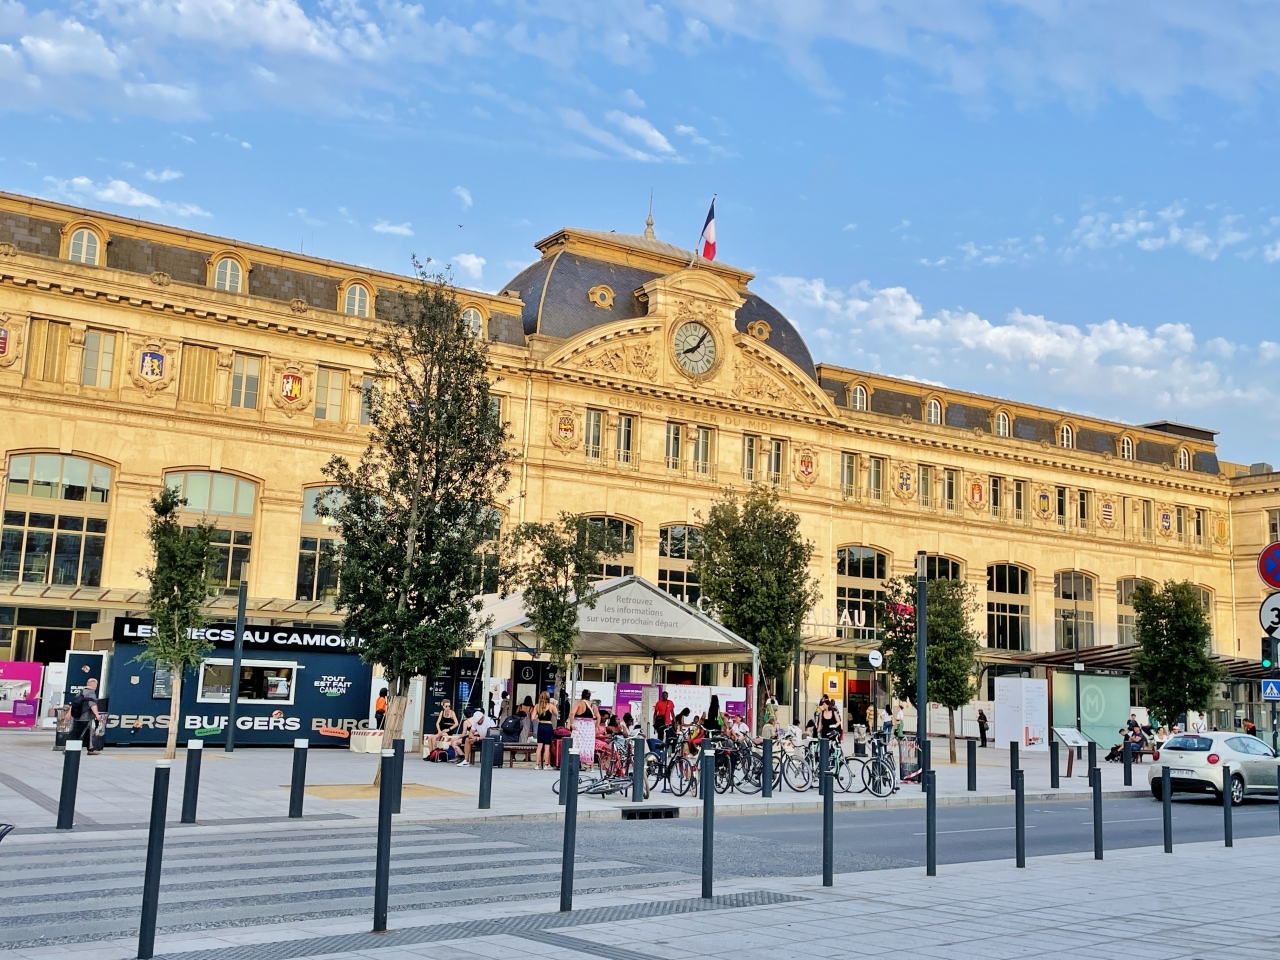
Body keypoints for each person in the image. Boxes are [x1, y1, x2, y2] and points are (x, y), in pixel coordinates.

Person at [69, 677, 102, 754]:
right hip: (85, 717)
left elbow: (74, 704)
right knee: (78, 734)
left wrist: (69, 714)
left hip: (77, 716)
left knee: (83, 732)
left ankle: (90, 749)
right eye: (96, 684)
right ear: (94, 685)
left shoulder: (81, 692)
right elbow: (92, 704)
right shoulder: (91, 693)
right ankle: (69, 749)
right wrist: (97, 715)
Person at [570, 689, 599, 764]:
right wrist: (596, 727)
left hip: (579, 725)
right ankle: (586, 760)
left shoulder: (579, 703)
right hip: (590, 727)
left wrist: (571, 723)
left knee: (576, 743)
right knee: (587, 744)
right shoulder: (593, 705)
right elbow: (598, 716)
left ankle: (577, 761)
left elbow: (572, 713)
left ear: (582, 695)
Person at [533, 691, 558, 769]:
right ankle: (546, 765)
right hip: (548, 726)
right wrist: (555, 705)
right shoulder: (551, 706)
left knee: (539, 746)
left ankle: (537, 765)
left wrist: (538, 716)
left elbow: (532, 717)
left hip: (540, 725)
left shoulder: (537, 706)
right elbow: (556, 714)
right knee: (547, 746)